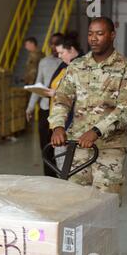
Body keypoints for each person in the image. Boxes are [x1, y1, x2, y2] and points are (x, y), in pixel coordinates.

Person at [48, 16, 127, 206]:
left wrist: (96, 130)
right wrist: (57, 126)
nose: (94, 38)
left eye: (100, 33)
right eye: (91, 34)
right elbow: (62, 97)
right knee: (73, 203)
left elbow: (126, 108)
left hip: (110, 148)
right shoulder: (77, 65)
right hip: (78, 146)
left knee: (104, 205)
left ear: (112, 35)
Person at [43, 34, 84, 170]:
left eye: (62, 52)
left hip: (74, 123)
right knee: (61, 162)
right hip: (60, 120)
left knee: (71, 166)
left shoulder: (82, 68)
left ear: (72, 50)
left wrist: (58, 94)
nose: (59, 56)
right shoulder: (64, 65)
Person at [25, 32, 63, 177]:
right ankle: (49, 177)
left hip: (60, 110)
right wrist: (30, 107)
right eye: (51, 44)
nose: (54, 46)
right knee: (45, 147)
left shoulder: (67, 62)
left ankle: (61, 176)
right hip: (45, 109)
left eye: (57, 43)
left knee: (59, 146)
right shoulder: (44, 62)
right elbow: (38, 85)